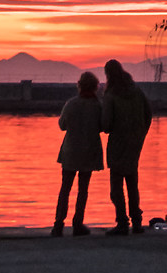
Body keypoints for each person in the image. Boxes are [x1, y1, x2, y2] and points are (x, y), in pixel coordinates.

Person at [100, 59, 153, 236]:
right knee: (132, 184)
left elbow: (106, 124)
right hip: (135, 144)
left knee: (116, 188)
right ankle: (137, 222)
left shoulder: (110, 95)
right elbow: (148, 114)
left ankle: (122, 222)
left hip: (118, 144)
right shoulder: (137, 91)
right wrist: (141, 133)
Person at [53, 70, 105, 235]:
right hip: (89, 151)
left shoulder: (71, 104)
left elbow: (62, 125)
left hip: (70, 151)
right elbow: (104, 126)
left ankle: (58, 224)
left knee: (65, 189)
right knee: (83, 190)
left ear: (80, 86)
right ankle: (78, 223)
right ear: (95, 87)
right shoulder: (98, 106)